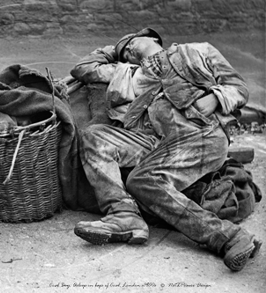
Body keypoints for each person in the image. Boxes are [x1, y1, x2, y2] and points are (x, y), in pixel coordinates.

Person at [70, 27, 262, 272]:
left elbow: (238, 87)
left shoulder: (198, 50)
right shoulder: (127, 73)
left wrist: (215, 97)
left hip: (201, 134)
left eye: (131, 42)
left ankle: (229, 237)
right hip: (155, 140)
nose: (126, 50)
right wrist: (114, 51)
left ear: (153, 38)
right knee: (94, 136)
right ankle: (123, 214)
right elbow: (82, 68)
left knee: (141, 180)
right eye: (123, 52)